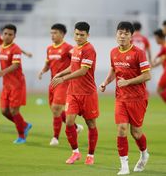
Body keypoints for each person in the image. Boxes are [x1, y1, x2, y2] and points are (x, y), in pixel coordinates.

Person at [99, 21, 151, 175]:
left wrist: (128, 82)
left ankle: (144, 154)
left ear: (131, 36)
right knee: (122, 129)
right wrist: (105, 82)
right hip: (121, 98)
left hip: (138, 98)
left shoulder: (138, 53)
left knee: (136, 133)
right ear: (116, 34)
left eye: (126, 33)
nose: (122, 36)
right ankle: (124, 166)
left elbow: (147, 75)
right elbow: (114, 70)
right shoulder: (113, 52)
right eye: (120, 33)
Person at [51, 22, 99, 165]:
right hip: (73, 92)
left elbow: (83, 71)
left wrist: (63, 79)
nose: (78, 37)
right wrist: (59, 73)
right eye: (76, 34)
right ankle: (75, 152)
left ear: (87, 35)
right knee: (69, 122)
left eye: (82, 35)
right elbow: (73, 66)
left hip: (88, 93)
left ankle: (90, 155)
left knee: (91, 124)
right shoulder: (76, 48)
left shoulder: (89, 49)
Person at [38, 23, 83, 146]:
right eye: (51, 33)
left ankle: (55, 138)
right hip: (53, 82)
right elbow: (48, 64)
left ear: (62, 34)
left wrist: (67, 75)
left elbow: (75, 62)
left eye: (55, 33)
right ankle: (75, 127)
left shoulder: (68, 48)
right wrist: (42, 71)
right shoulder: (49, 48)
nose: (53, 35)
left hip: (64, 82)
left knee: (56, 108)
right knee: (54, 110)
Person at [0, 24, 32, 144]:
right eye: (5, 34)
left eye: (10, 34)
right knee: (4, 111)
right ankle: (25, 125)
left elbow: (16, 65)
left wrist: (1, 73)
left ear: (14, 36)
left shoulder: (14, 49)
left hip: (17, 84)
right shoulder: (2, 46)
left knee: (14, 111)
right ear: (2, 35)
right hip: (7, 84)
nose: (7, 36)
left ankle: (21, 136)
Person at [152, 29, 166, 102]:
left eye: (156, 38)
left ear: (161, 38)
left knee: (159, 89)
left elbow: (161, 60)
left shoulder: (164, 46)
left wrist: (151, 66)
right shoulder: (163, 47)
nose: (156, 40)